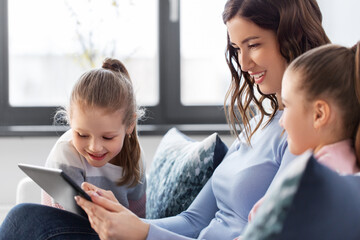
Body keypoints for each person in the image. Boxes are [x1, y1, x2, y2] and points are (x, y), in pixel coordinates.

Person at [0, 0, 330, 239]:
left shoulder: (303, 131)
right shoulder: (262, 120)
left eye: (253, 45)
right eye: (236, 48)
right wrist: (127, 222)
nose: (243, 63)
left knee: (24, 222)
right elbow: (191, 219)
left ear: (291, 36)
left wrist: (143, 233)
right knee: (25, 218)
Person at [248, 42, 360, 224]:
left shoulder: (315, 179)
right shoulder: (343, 165)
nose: (282, 121)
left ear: (319, 114)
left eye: (287, 105)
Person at [44, 57, 146, 217]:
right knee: (20, 214)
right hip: (68, 228)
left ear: (130, 125)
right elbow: (65, 223)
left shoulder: (135, 158)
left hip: (116, 233)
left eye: (108, 137)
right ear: (70, 121)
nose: (94, 147)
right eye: (82, 134)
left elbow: (139, 220)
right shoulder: (65, 153)